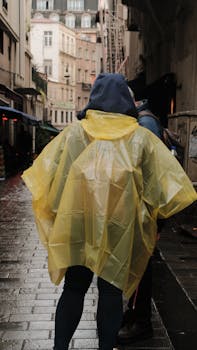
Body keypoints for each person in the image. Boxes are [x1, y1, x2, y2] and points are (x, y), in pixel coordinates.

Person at [21, 73, 197, 350]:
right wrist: (154, 225)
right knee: (111, 292)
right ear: (126, 100)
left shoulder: (74, 134)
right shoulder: (140, 139)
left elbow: (53, 179)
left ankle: (59, 347)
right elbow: (163, 188)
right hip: (119, 229)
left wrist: (59, 218)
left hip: (78, 225)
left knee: (74, 288)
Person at [117, 92, 164, 345]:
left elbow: (151, 173)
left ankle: (142, 323)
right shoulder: (145, 122)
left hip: (146, 209)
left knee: (142, 266)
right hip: (144, 207)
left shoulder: (144, 126)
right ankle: (135, 315)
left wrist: (157, 220)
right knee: (138, 265)